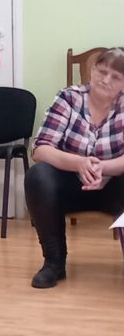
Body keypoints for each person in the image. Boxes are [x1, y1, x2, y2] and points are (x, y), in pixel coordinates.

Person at [26, 47, 124, 288]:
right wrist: (79, 163)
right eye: (102, 72)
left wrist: (103, 167)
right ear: (92, 71)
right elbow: (41, 149)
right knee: (38, 176)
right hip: (70, 184)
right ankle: (54, 262)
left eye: (116, 77)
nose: (106, 80)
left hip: (114, 185)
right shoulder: (69, 98)